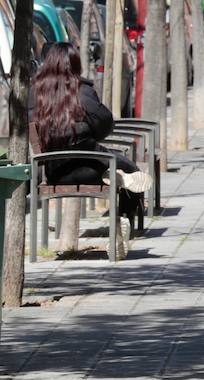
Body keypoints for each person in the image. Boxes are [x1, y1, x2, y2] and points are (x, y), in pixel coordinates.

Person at [29, 43, 151, 256]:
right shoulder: (82, 91)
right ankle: (121, 215)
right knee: (130, 169)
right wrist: (88, 130)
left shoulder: (35, 92)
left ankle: (115, 177)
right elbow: (105, 122)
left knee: (118, 166)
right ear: (75, 64)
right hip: (90, 168)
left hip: (54, 172)